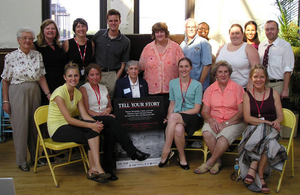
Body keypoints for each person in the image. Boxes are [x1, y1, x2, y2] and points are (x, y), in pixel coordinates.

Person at [79, 63, 150, 181]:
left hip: (106, 118)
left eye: (97, 74)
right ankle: (132, 151)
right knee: (112, 121)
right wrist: (102, 115)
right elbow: (86, 110)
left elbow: (110, 106)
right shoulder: (83, 88)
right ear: (87, 76)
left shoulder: (103, 88)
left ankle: (108, 170)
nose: (95, 77)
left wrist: (107, 111)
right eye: (92, 75)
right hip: (91, 119)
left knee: (110, 134)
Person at [47, 62, 111, 183]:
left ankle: (93, 168)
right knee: (90, 133)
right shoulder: (59, 93)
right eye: (70, 76)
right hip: (57, 129)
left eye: (76, 76)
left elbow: (84, 115)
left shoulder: (77, 93)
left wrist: (95, 124)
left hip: (69, 126)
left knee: (92, 131)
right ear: (64, 77)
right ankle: (95, 167)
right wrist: (91, 125)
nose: (73, 78)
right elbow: (69, 119)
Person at [1, 27, 51, 172]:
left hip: (34, 90)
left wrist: (48, 94)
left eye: (30, 38)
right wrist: (5, 101)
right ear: (18, 40)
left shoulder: (37, 55)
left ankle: (36, 158)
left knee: (35, 126)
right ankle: (21, 160)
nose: (28, 41)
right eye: (24, 38)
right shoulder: (10, 57)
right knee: (20, 127)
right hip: (17, 91)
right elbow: (5, 80)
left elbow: (41, 76)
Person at [238, 64, 287, 193]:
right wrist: (266, 123)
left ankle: (253, 169)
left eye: (262, 77)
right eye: (255, 77)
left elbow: (280, 114)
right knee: (269, 142)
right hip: (253, 130)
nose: (258, 79)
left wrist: (276, 121)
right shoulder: (247, 95)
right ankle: (260, 176)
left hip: (272, 130)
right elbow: (247, 118)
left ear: (266, 79)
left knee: (268, 136)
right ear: (251, 78)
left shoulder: (274, 93)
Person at [194, 60, 246, 175]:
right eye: (220, 72)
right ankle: (218, 161)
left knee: (223, 137)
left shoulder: (238, 89)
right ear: (215, 74)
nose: (223, 74)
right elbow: (205, 111)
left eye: (226, 72)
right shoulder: (210, 89)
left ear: (229, 73)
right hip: (215, 120)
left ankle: (210, 162)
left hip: (234, 122)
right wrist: (211, 121)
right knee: (207, 132)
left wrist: (226, 123)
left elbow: (241, 112)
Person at [158, 57, 203, 170]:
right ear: (178, 68)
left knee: (174, 118)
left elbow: (197, 109)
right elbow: (172, 104)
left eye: (186, 66)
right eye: (181, 66)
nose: (184, 69)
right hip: (177, 118)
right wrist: (169, 117)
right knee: (178, 130)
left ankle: (166, 150)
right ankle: (182, 157)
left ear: (191, 68)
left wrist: (176, 115)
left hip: (193, 117)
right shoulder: (172, 83)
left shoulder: (197, 85)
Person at [139, 22, 184, 114]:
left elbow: (183, 68)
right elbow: (141, 67)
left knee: (170, 118)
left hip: (171, 91)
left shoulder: (175, 47)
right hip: (152, 91)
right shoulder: (147, 49)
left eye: (162, 32)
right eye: (157, 32)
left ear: (166, 33)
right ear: (154, 34)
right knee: (155, 119)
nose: (159, 34)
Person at [92, 9, 130, 99]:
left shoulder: (125, 41)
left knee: (109, 100)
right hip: (96, 73)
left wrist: (116, 78)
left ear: (120, 21)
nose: (113, 23)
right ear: (107, 22)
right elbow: (91, 50)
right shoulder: (99, 34)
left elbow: (123, 62)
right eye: (111, 21)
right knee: (95, 99)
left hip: (112, 75)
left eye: (116, 20)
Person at [216, 24, 260, 90]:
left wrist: (251, 83)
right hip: (222, 88)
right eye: (232, 33)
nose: (235, 36)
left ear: (242, 34)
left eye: (237, 33)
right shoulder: (222, 47)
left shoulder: (249, 48)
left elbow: (256, 69)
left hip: (241, 88)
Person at [33, 19, 67, 104]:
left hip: (60, 83)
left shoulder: (59, 46)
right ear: (42, 30)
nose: (50, 31)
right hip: (45, 84)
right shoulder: (36, 46)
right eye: (47, 28)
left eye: (53, 28)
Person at [258, 20, 294, 99]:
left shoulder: (285, 46)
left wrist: (285, 89)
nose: (269, 31)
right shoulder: (262, 45)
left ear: (277, 30)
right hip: (263, 84)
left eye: (272, 29)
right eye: (267, 29)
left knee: (276, 109)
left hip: (278, 84)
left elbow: (287, 69)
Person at [180, 18, 212, 91]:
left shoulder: (203, 43)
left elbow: (207, 66)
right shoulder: (182, 44)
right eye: (188, 27)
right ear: (185, 29)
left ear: (197, 29)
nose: (190, 29)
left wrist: (199, 85)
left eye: (193, 27)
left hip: (199, 86)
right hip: (186, 86)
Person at [63, 18, 94, 87]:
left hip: (87, 79)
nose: (81, 29)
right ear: (74, 29)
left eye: (83, 26)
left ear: (86, 28)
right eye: (78, 27)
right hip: (72, 80)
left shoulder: (91, 44)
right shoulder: (67, 43)